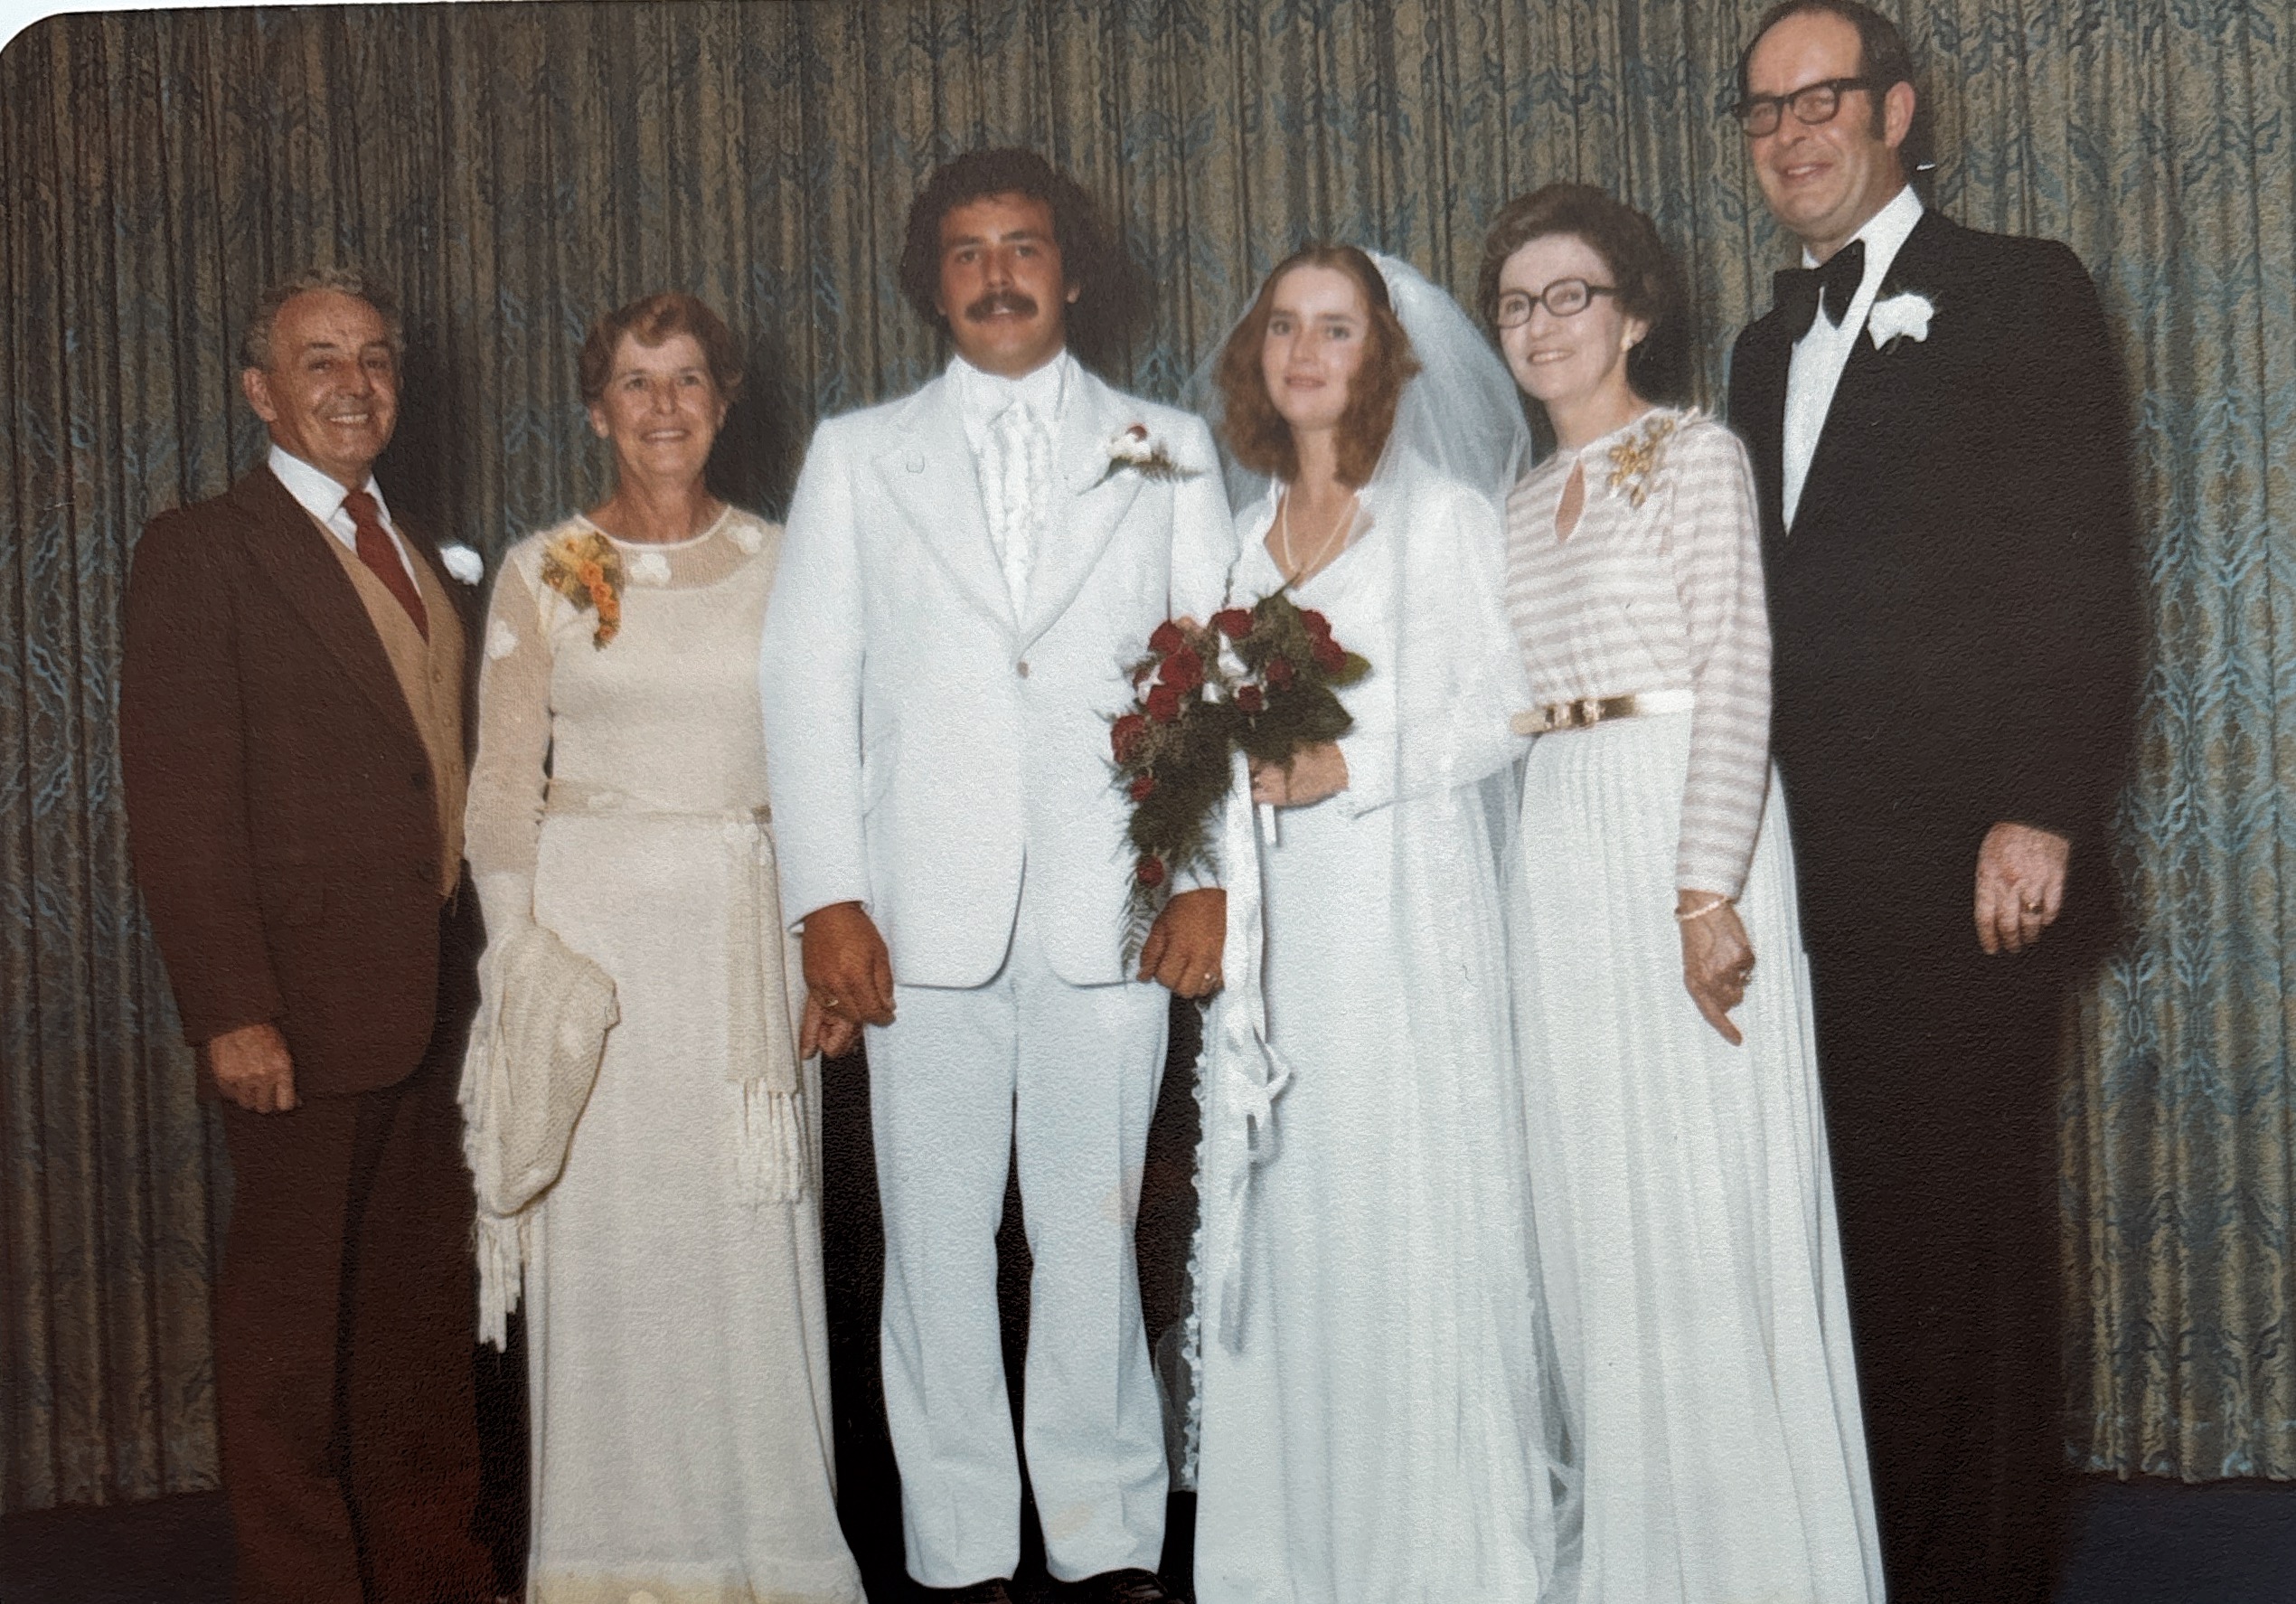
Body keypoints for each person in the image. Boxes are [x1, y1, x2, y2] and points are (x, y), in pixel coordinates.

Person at [757, 148, 1234, 1604]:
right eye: (965, 251)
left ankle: (1102, 1538)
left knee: (1096, 1237)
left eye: (1022, 243)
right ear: (931, 279)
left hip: (1115, 912)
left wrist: (1204, 876)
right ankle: (957, 1545)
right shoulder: (857, 452)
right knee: (937, 1242)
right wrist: (827, 894)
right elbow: (804, 677)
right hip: (920, 920)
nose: (997, 272)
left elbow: (1208, 669)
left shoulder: (1172, 444)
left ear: (1071, 268)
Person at [1724, 5, 2141, 1599]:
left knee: (1961, 1248)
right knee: (1855, 1247)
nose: (1790, 133)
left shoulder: (2022, 288)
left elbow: (2080, 567)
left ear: (1895, 107)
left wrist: (2039, 803)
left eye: (1819, 98)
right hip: (1809, 875)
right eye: (1761, 111)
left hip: (1976, 868)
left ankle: (1979, 1573)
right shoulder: (1765, 349)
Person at [1488, 184, 1880, 1604]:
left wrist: (1705, 887)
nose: (1543, 325)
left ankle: (1756, 1563)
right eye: (1519, 302)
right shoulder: (1518, 502)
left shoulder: (1699, 456)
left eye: (1572, 294)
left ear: (1635, 311)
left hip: (1680, 829)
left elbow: (1738, 670)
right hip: (1558, 839)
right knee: (1599, 1194)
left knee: (1709, 1194)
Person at [462, 293, 864, 1602]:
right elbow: (500, 791)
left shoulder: (786, 556)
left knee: (747, 1249)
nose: (665, 407)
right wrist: (522, 967)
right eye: (637, 384)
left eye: (688, 379)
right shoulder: (547, 567)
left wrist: (830, 947)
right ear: (595, 408)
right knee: (616, 1264)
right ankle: (610, 1563)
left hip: (745, 952)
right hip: (598, 965)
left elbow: (833, 770)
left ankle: (768, 1557)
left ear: (723, 398)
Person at [1188, 245, 1562, 1603]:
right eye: (1282, 324)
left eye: (1335, 328)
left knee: (1399, 1212)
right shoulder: (1239, 540)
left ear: (1382, 355)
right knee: (1300, 1219)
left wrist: (1353, 761)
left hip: (1403, 908)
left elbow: (1502, 709)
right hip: (1287, 930)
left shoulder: (1444, 520)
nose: (1303, 351)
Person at [118, 268, 496, 1604]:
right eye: (321, 359)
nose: (356, 383)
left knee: (418, 1332)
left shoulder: (434, 549)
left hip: (437, 1000)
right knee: (290, 1337)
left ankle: (432, 1575)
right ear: (260, 390)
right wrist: (232, 1005)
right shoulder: (202, 551)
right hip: (297, 1009)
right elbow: (179, 804)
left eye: (378, 358)